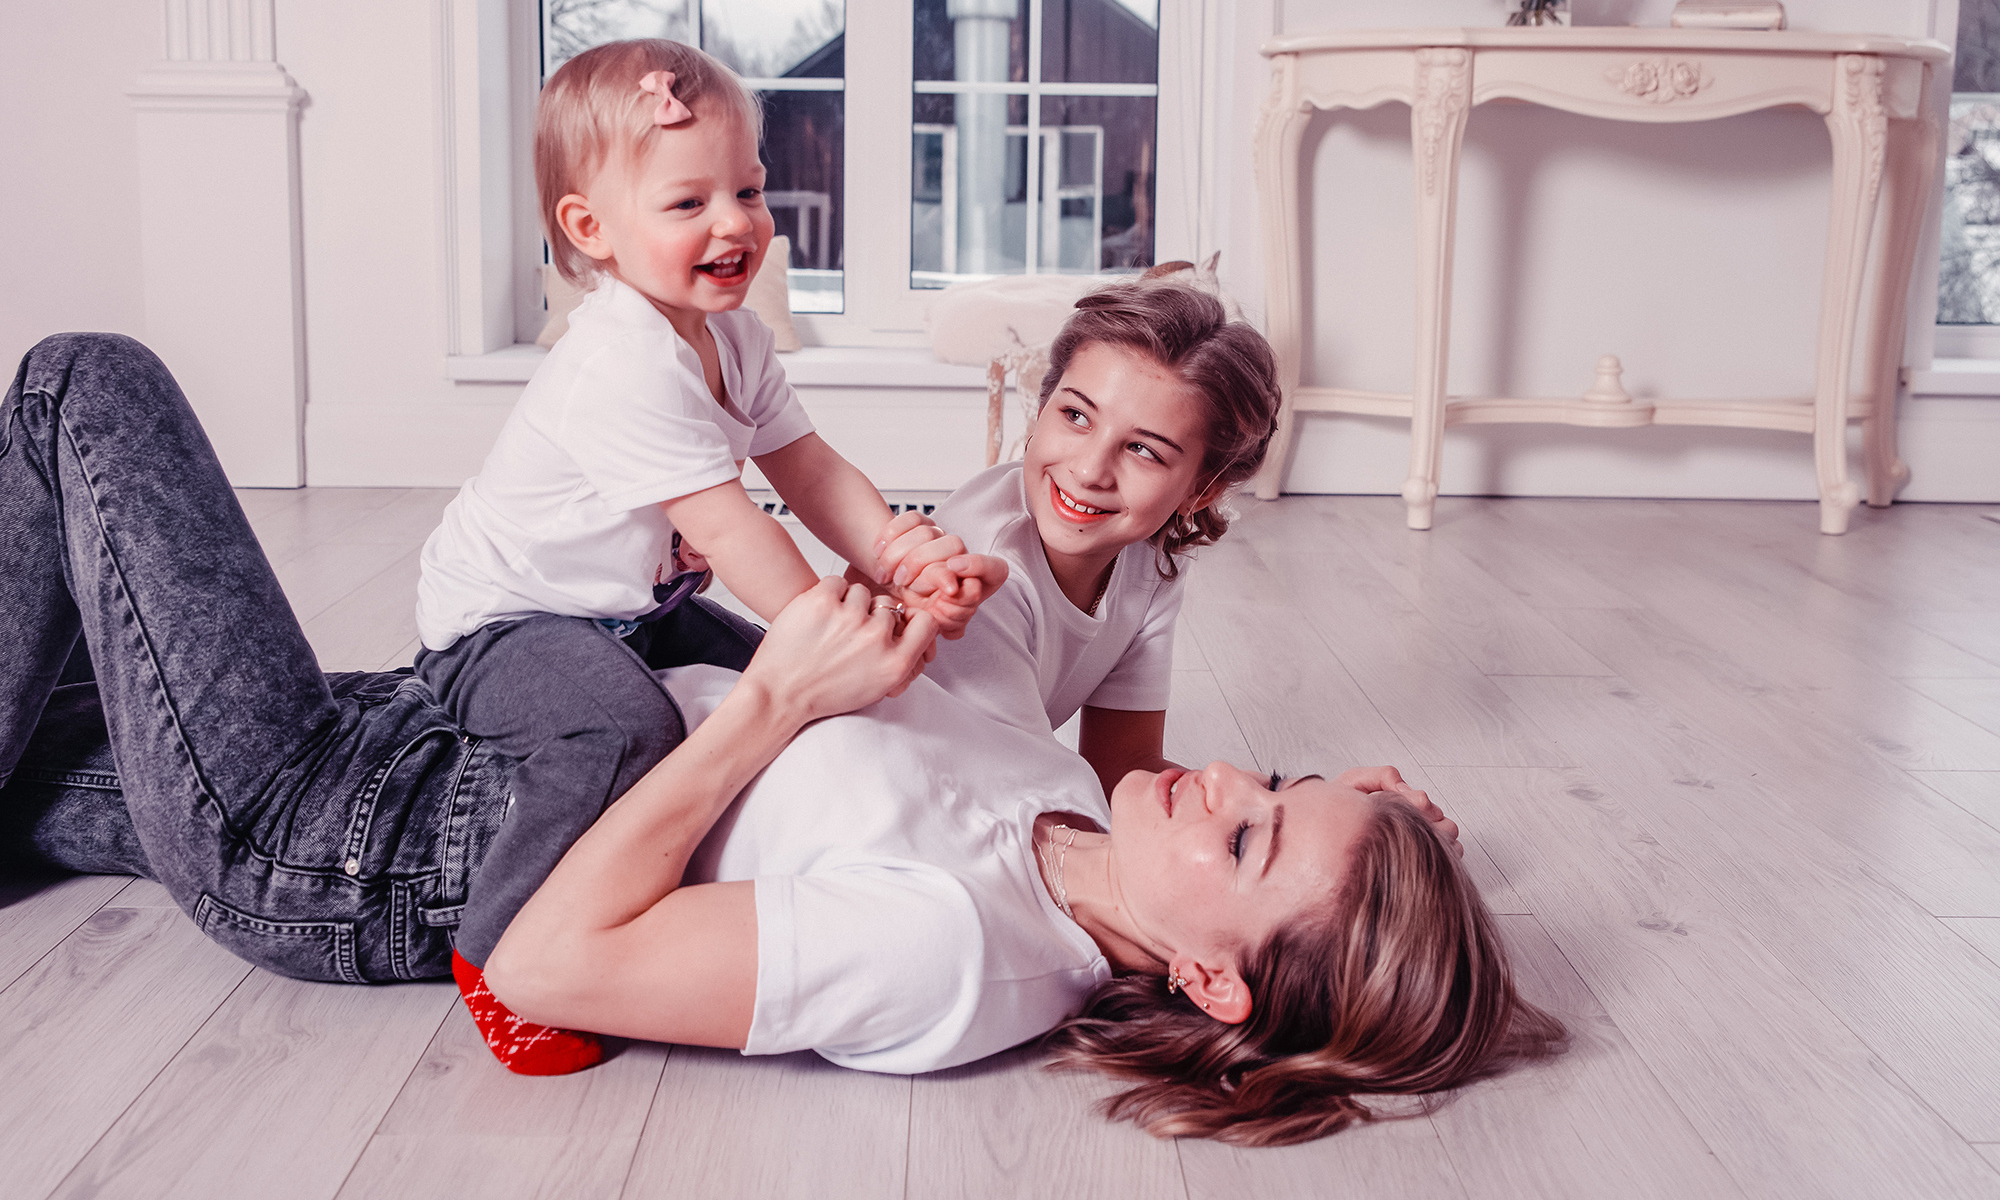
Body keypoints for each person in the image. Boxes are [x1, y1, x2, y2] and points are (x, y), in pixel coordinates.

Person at [1, 333, 1563, 1141]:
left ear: (1211, 979)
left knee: (84, 385)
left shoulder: (953, 954)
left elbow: (544, 960)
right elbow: (1049, 579)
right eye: (1270, 783)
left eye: (1244, 835)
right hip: (427, 715)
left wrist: (769, 701)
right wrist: (1351, 808)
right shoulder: (1067, 799)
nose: (1228, 781)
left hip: (351, 836)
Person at [409, 39, 998, 1072]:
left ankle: (680, 860)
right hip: (509, 617)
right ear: (591, 229)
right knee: (621, 726)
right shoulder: (618, 360)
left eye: (748, 190)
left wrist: (896, 554)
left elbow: (808, 469)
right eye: (687, 205)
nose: (734, 223)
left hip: (632, 600)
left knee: (741, 697)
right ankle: (496, 952)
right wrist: (827, 632)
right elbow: (731, 527)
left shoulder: (735, 341)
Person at [909, 273, 1281, 794]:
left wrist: (1301, 803)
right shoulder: (983, 571)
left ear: (1201, 490)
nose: (1089, 470)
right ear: (1042, 410)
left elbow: (1121, 768)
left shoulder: (1149, 562)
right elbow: (1033, 802)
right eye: (1076, 415)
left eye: (1144, 450)